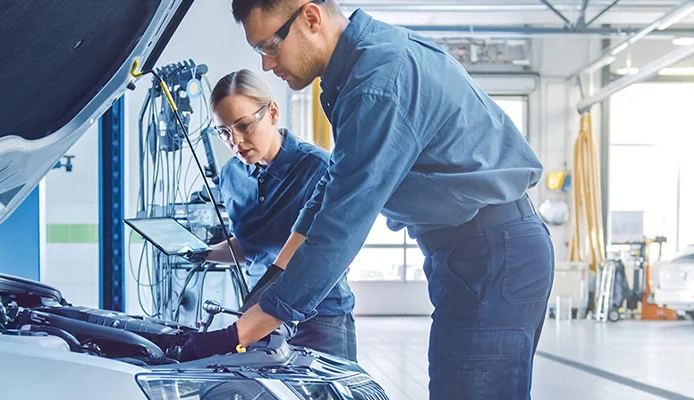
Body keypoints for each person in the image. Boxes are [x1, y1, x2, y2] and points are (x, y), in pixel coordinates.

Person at [179, 1, 554, 398]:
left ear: (311, 18)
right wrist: (273, 279)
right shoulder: (361, 70)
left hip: (491, 251)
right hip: (471, 251)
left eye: (270, 46)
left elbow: (341, 225)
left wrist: (237, 335)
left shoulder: (378, 82)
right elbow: (329, 192)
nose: (267, 65)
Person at [192, 69, 358, 361]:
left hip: (318, 319)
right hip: (260, 316)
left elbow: (326, 250)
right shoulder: (231, 175)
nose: (235, 141)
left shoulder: (317, 167)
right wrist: (201, 253)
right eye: (224, 132)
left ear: (272, 113)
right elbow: (251, 246)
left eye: (244, 126)